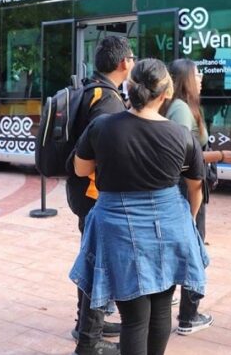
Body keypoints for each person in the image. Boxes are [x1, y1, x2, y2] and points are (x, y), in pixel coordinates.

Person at [70, 58, 208, 355]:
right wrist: (188, 221)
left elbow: (81, 170)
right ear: (165, 94)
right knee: (161, 309)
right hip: (170, 224)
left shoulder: (103, 127)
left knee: (133, 318)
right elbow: (196, 187)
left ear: (128, 89)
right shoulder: (182, 135)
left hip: (118, 227)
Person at [67, 36, 136, 355]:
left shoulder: (91, 89)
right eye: (132, 58)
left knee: (92, 259)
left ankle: (86, 323)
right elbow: (99, 149)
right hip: (96, 194)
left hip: (82, 191)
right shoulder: (108, 101)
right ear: (123, 63)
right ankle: (90, 341)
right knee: (98, 264)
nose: (133, 63)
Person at [161, 58, 231, 336]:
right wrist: (220, 155)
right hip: (187, 187)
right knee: (193, 248)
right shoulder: (181, 110)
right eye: (197, 73)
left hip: (186, 185)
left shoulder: (183, 106)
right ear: (185, 79)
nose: (202, 76)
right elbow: (182, 155)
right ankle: (188, 316)